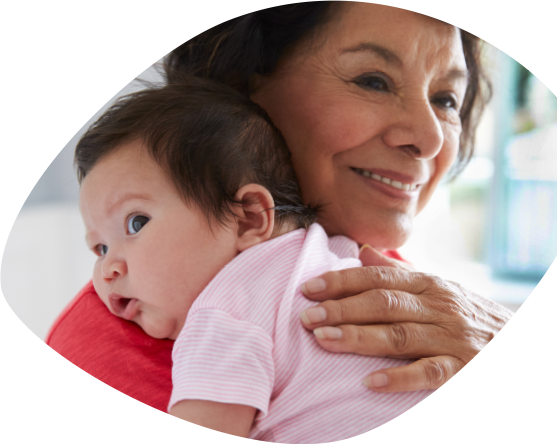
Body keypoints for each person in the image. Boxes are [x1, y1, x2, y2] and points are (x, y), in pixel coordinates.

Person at [47, 1, 514, 418]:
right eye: (373, 81)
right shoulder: (129, 337)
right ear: (241, 86)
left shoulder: (378, 275)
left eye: (446, 100)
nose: (430, 138)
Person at [75, 75, 435, 440]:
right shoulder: (337, 250)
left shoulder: (220, 318)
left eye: (136, 223)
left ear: (248, 217)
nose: (107, 268)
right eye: (99, 247)